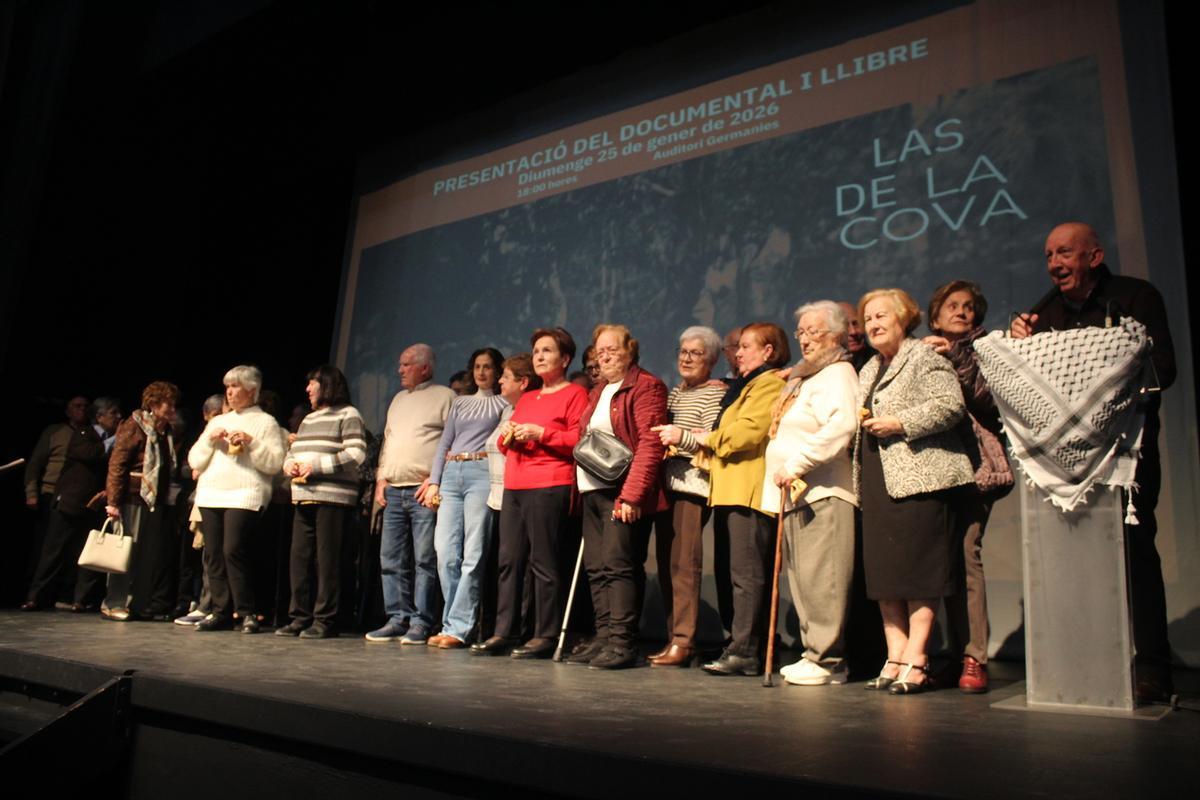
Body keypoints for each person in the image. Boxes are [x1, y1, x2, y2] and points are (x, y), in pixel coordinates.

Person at [1011, 222, 1177, 702]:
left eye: (1064, 253)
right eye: (1048, 255)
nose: (1054, 264)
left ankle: (1152, 667)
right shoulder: (1044, 312)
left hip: (1126, 450)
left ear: (1094, 256)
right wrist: (1023, 345)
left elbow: (1163, 370)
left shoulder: (1136, 297)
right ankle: (1081, 663)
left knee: (1134, 551)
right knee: (1071, 557)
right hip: (1066, 461)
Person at [856, 289, 974, 694]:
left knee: (918, 572)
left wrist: (900, 423)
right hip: (878, 478)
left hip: (921, 478)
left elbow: (950, 405)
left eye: (880, 315)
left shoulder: (924, 357)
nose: (872, 324)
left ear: (904, 318)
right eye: (867, 318)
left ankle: (918, 657)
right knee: (885, 573)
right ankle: (895, 655)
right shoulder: (868, 369)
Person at [472, 327, 587, 658]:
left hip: (549, 484)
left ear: (565, 359)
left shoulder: (575, 394)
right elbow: (503, 446)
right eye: (536, 351)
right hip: (515, 485)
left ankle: (545, 634)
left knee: (543, 562)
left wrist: (542, 433)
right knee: (508, 561)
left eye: (547, 351)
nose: (539, 356)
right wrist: (508, 437)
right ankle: (504, 632)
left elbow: (578, 441)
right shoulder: (528, 397)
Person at [923, 280, 1013, 693]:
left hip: (978, 470)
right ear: (935, 317)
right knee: (942, 563)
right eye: (952, 305)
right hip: (937, 470)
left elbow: (987, 399)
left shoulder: (988, 349)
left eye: (969, 306)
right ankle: (953, 652)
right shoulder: (924, 350)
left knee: (966, 554)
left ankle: (975, 656)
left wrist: (955, 354)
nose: (961, 311)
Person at [764, 301, 860, 686]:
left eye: (813, 331)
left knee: (823, 578)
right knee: (804, 579)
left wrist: (798, 462)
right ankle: (814, 653)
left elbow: (842, 426)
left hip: (824, 490)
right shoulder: (806, 377)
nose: (805, 339)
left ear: (836, 335)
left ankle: (829, 659)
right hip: (798, 495)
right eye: (801, 332)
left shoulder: (837, 373)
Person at [571, 325, 667, 669]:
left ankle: (623, 643)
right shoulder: (599, 390)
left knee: (618, 565)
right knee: (597, 568)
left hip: (621, 492)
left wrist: (632, 496)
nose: (605, 356)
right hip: (592, 489)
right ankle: (604, 637)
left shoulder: (646, 386)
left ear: (630, 351)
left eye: (612, 349)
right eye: (600, 351)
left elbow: (650, 444)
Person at [695, 322, 789, 676]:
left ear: (768, 351)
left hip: (748, 490)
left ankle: (746, 650)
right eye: (738, 347)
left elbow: (749, 431)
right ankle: (742, 644)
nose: (739, 353)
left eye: (747, 346)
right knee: (735, 573)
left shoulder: (769, 383)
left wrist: (707, 439)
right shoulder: (746, 385)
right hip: (729, 488)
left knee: (747, 575)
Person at [366, 344, 455, 644]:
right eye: (401, 364)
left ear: (425, 368)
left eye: (406, 364)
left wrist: (434, 479)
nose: (400, 370)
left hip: (422, 491)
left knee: (424, 560)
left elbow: (452, 442)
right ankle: (397, 618)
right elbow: (388, 442)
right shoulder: (398, 400)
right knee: (390, 558)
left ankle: (421, 621)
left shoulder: (445, 397)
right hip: (393, 489)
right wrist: (381, 477)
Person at [648, 326, 725, 667]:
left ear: (712, 360)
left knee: (685, 564)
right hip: (667, 485)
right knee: (667, 563)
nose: (687, 358)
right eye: (683, 351)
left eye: (696, 353)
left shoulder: (715, 393)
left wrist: (680, 438)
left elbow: (710, 439)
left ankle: (684, 640)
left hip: (692, 486)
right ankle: (673, 636)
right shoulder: (676, 392)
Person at [188, 365, 287, 633]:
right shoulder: (218, 421)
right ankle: (220, 611)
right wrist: (210, 441)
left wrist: (251, 442)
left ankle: (246, 611)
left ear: (252, 390)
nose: (229, 392)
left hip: (245, 494)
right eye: (227, 387)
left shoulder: (266, 422)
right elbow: (195, 460)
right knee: (214, 553)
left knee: (233, 549)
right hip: (211, 493)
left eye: (235, 387)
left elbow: (274, 463)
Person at [423, 347, 508, 649]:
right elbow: (444, 443)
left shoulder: (504, 403)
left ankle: (458, 628)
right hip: (451, 473)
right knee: (445, 553)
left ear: (498, 371)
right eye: (477, 366)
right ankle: (452, 624)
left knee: (473, 552)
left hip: (481, 472)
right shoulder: (460, 402)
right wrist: (434, 481)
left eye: (488, 366)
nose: (481, 372)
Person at [277, 365, 367, 639]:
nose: (307, 389)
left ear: (327, 384)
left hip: (333, 498)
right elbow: (293, 452)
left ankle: (325, 619)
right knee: (300, 559)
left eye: (312, 383)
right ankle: (299, 617)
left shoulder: (348, 414)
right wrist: (290, 465)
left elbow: (356, 454)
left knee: (327, 561)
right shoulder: (309, 419)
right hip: (303, 496)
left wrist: (315, 467)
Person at [102, 381, 182, 621]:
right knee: (127, 551)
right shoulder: (134, 425)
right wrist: (113, 502)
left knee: (148, 556)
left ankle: (137, 603)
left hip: (155, 500)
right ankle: (115, 603)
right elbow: (117, 464)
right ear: (154, 404)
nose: (173, 409)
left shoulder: (165, 431)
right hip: (133, 498)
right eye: (169, 404)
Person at [22, 399, 108, 611]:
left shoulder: (96, 435)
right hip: (56, 493)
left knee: (80, 551)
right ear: (67, 411)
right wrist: (31, 492)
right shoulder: (61, 433)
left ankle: (72, 597)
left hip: (88, 499)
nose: (82, 410)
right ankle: (37, 596)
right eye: (77, 406)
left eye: (85, 406)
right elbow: (35, 463)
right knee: (51, 549)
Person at [479, 354, 541, 642]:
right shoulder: (507, 411)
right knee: (505, 566)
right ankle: (499, 630)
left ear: (523, 382)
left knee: (525, 567)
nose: (500, 381)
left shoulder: (533, 409)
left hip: (521, 496)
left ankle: (522, 631)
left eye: (505, 376)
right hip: (498, 500)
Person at [838, 302, 871, 372]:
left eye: (856, 324)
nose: (853, 332)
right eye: (845, 326)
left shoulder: (880, 361)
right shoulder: (823, 370)